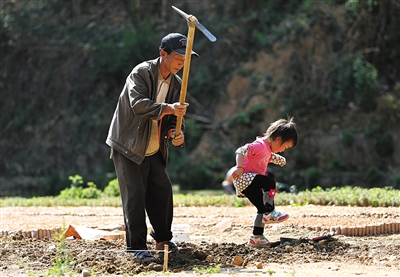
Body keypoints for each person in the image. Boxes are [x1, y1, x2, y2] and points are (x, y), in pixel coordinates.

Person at [105, 33, 199, 262]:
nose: (182, 63)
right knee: (135, 196)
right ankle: (136, 247)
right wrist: (169, 108)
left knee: (162, 191)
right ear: (163, 54)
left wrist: (176, 133)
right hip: (129, 144)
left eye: (186, 59)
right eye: (178, 57)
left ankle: (163, 240)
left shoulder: (177, 84)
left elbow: (176, 118)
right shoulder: (141, 73)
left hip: (155, 145)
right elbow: (138, 105)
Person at [232, 117, 298, 247]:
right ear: (278, 139)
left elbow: (268, 156)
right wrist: (239, 168)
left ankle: (257, 237)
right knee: (269, 183)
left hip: (247, 183)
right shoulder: (260, 146)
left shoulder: (266, 149)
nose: (283, 150)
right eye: (284, 147)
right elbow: (240, 150)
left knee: (260, 209)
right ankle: (270, 212)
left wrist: (279, 159)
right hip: (245, 177)